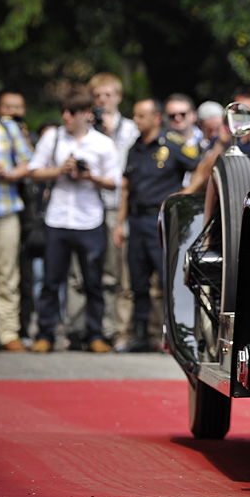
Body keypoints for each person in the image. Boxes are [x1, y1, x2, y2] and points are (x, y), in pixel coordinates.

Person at [26, 87, 121, 354]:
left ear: (86, 114)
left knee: (93, 281)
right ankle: (45, 334)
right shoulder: (53, 138)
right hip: (57, 218)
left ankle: (94, 334)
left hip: (89, 219)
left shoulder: (102, 143)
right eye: (64, 111)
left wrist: (90, 176)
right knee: (51, 280)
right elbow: (34, 171)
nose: (66, 116)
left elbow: (114, 182)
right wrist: (60, 170)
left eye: (72, 112)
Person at [113, 99, 201, 353]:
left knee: (167, 280)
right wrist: (120, 223)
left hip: (161, 219)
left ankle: (173, 337)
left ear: (155, 118)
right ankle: (140, 335)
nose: (136, 120)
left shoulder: (173, 144)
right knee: (137, 281)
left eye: (141, 116)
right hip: (136, 220)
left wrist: (184, 195)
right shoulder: (134, 148)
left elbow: (200, 169)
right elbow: (126, 189)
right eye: (135, 115)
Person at [86, 72, 139, 348]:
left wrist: (109, 135)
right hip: (91, 207)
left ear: (117, 97)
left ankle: (122, 330)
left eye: (107, 95)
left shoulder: (130, 129)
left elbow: (125, 166)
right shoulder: (85, 129)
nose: (102, 101)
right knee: (99, 272)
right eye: (97, 96)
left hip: (119, 206)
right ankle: (100, 330)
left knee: (122, 273)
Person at [0, 89, 34, 351]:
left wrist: (8, 173)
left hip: (5, 209)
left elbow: (30, 162)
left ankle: (8, 332)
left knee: (6, 274)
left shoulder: (8, 128)